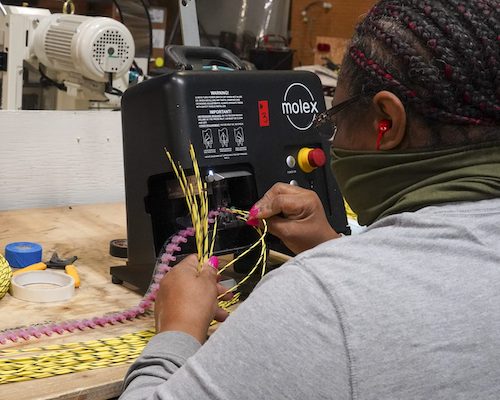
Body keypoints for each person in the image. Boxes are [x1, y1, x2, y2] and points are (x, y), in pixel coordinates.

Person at [120, 0, 500, 398]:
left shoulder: (319, 304)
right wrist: (332, 249)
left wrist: (177, 329)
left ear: (386, 122)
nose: (330, 142)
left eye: (333, 122)